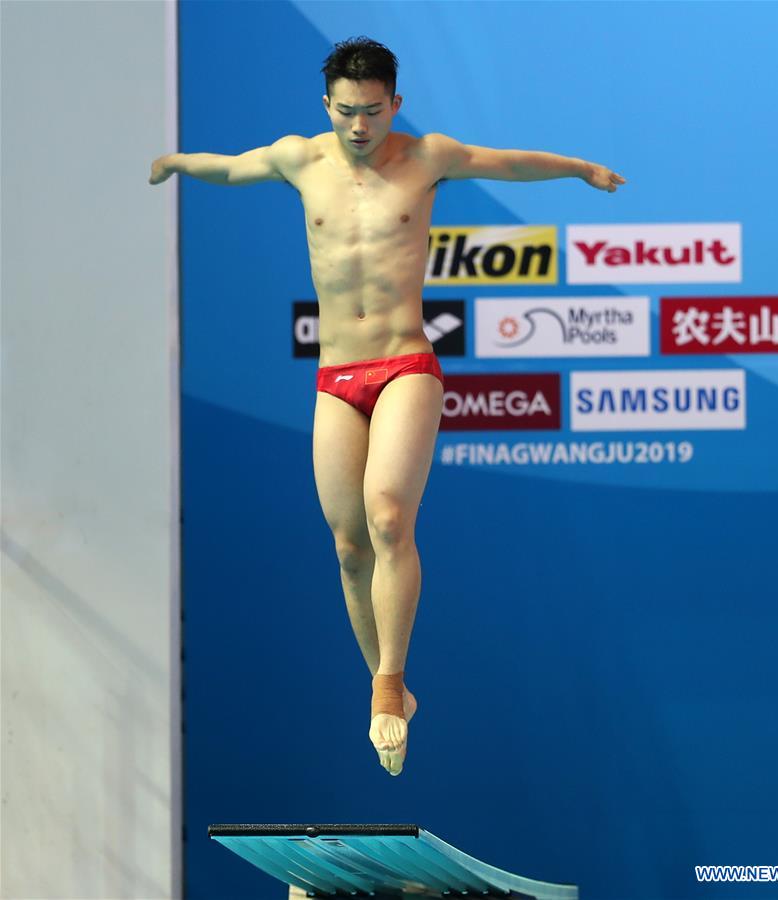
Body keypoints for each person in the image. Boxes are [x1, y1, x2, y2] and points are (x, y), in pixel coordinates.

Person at [149, 36, 626, 777]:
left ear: (394, 104)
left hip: (407, 364)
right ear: (325, 107)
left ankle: (387, 684)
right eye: (345, 112)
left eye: (372, 112)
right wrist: (179, 163)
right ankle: (389, 688)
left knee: (387, 516)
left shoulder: (426, 156)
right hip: (336, 376)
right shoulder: (297, 159)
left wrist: (581, 169)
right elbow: (231, 167)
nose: (359, 127)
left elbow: (508, 162)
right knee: (346, 547)